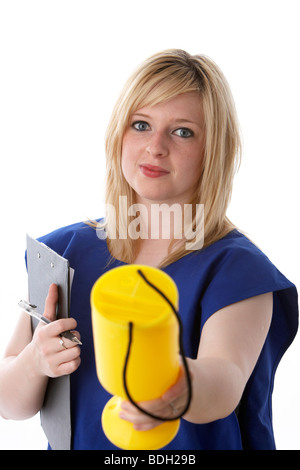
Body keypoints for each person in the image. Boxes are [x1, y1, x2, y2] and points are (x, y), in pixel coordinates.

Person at [0, 49, 298, 450]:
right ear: (118, 135)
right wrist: (35, 362)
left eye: (182, 131)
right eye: (141, 125)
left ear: (214, 151)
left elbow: (225, 379)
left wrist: (176, 386)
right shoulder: (63, 254)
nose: (155, 146)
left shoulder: (238, 270)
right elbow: (10, 402)